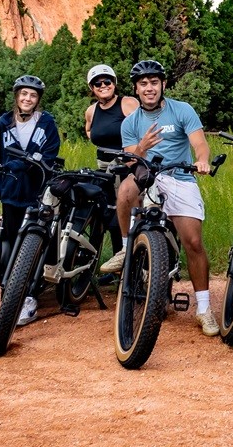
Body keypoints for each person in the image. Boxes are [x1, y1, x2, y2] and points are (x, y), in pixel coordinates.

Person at [117, 60, 218, 336]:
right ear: (136, 89)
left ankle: (203, 308)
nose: (149, 88)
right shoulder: (130, 122)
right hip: (147, 176)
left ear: (163, 84)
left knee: (193, 242)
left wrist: (202, 160)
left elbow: (200, 144)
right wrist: (142, 147)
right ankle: (126, 249)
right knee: (125, 190)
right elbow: (130, 161)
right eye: (143, 84)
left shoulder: (182, 110)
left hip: (179, 177)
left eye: (154, 82)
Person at [0, 75, 61, 326]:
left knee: (33, 240)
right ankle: (9, 288)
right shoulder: (4, 122)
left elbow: (50, 153)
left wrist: (26, 164)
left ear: (38, 99)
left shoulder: (46, 122)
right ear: (16, 96)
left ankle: (30, 292)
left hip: (36, 190)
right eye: (23, 94)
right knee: (10, 239)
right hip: (12, 190)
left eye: (32, 95)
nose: (27, 98)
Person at [82, 64, 139, 280]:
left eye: (107, 81)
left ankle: (135, 268)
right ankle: (117, 269)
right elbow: (89, 130)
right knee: (109, 216)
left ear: (114, 83)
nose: (103, 85)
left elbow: (143, 127)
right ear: (92, 88)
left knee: (126, 215)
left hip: (126, 166)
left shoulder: (127, 103)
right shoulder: (91, 111)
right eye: (98, 83)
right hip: (103, 169)